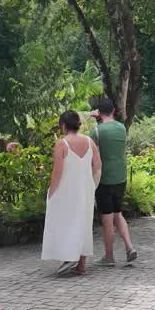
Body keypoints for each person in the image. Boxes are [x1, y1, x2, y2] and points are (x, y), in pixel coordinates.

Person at [41, 111, 101, 276]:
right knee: (83, 223)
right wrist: (92, 186)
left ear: (64, 126)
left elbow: (57, 171)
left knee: (66, 222)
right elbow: (97, 166)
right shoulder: (89, 142)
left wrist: (51, 191)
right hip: (85, 190)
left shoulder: (62, 143)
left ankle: (69, 256)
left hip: (66, 190)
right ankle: (81, 265)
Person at [90, 98, 137, 266]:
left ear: (98, 112)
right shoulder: (122, 128)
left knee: (107, 219)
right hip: (120, 177)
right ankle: (129, 247)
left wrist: (95, 120)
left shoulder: (96, 131)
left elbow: (93, 156)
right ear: (114, 111)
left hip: (104, 179)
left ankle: (109, 257)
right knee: (118, 213)